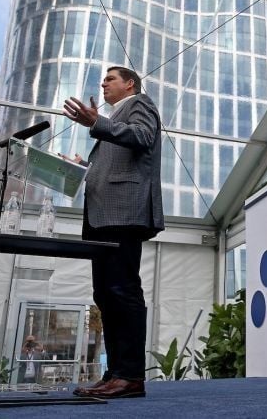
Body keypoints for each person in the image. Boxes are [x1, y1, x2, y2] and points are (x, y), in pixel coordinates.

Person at [63, 66, 164, 399]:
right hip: (101, 214)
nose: (103, 84)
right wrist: (83, 167)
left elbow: (143, 137)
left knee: (122, 290)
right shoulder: (115, 120)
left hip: (123, 212)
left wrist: (96, 122)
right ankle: (115, 374)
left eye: (110, 79)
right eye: (103, 81)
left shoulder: (140, 103)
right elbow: (116, 161)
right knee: (104, 295)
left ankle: (131, 376)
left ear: (129, 84)